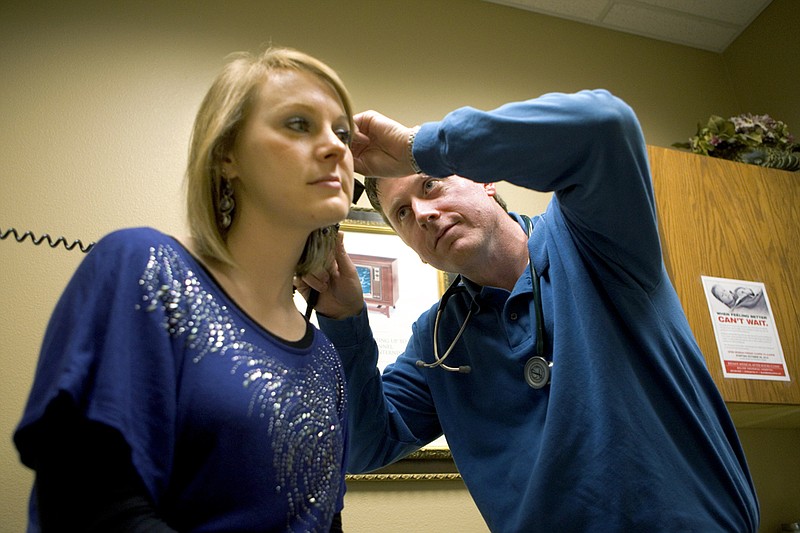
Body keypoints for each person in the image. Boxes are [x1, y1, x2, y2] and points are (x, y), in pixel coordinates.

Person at [300, 89, 760, 531]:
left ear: (484, 179)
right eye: (402, 213)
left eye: (432, 184)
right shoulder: (438, 338)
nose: (421, 213)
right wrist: (342, 319)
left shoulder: (592, 237)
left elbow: (604, 127)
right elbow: (362, 446)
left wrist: (419, 147)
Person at [14, 47, 355, 532]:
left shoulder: (325, 361)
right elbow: (87, 502)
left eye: (342, 132)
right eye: (298, 124)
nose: (335, 147)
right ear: (226, 155)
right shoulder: (145, 267)